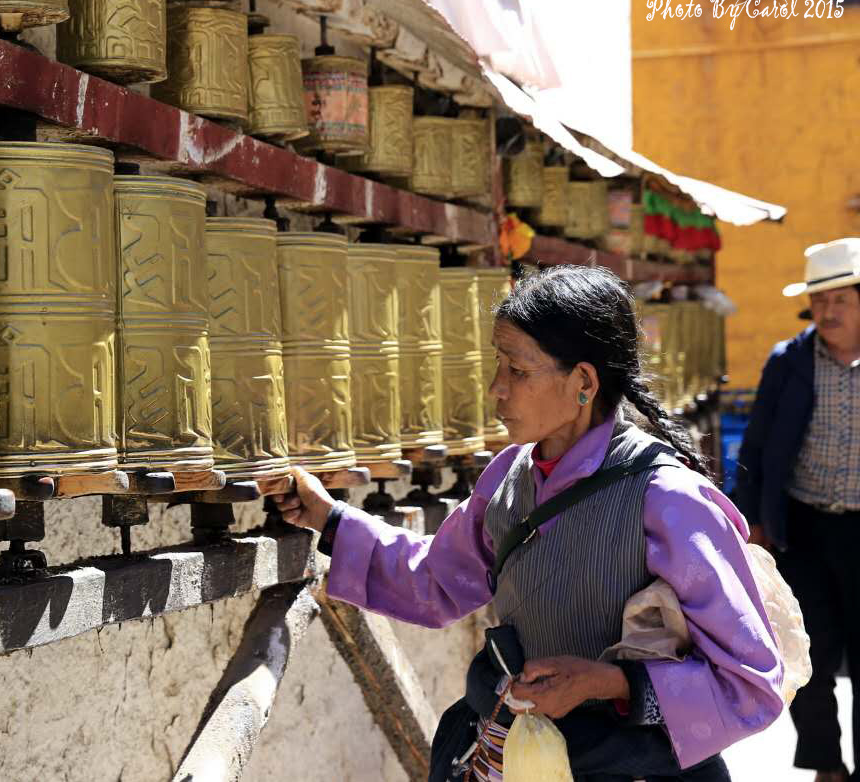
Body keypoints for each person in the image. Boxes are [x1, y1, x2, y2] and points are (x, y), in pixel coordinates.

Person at [273, 265, 783, 781]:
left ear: (583, 382)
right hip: (513, 757)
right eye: (499, 365)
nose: (497, 388)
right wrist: (329, 517)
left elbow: (750, 685)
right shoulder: (509, 478)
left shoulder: (667, 499)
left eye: (517, 371)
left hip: (626, 766)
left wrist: (609, 681)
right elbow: (435, 579)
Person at [736, 238, 860, 782]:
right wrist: (754, 524)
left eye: (841, 299)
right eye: (820, 300)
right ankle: (826, 766)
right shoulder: (790, 363)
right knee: (805, 653)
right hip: (803, 529)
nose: (828, 311)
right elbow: (756, 448)